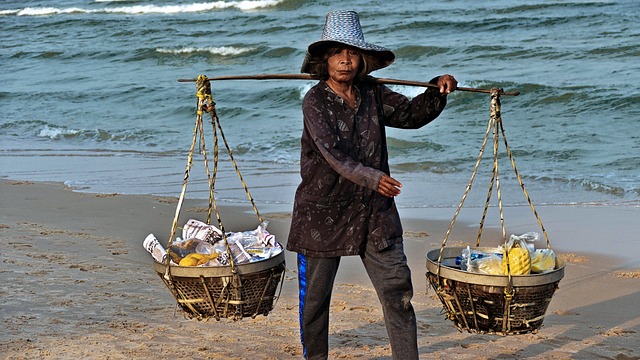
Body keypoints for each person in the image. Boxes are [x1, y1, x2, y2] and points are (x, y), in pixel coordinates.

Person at [286, 10, 457, 360]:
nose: (345, 61)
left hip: (373, 212)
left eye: (351, 53)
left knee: (397, 290)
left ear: (362, 59)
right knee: (316, 301)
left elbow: (411, 115)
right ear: (324, 60)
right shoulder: (315, 101)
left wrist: (436, 89)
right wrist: (373, 177)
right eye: (337, 53)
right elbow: (331, 153)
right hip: (323, 213)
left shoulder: (373, 94)